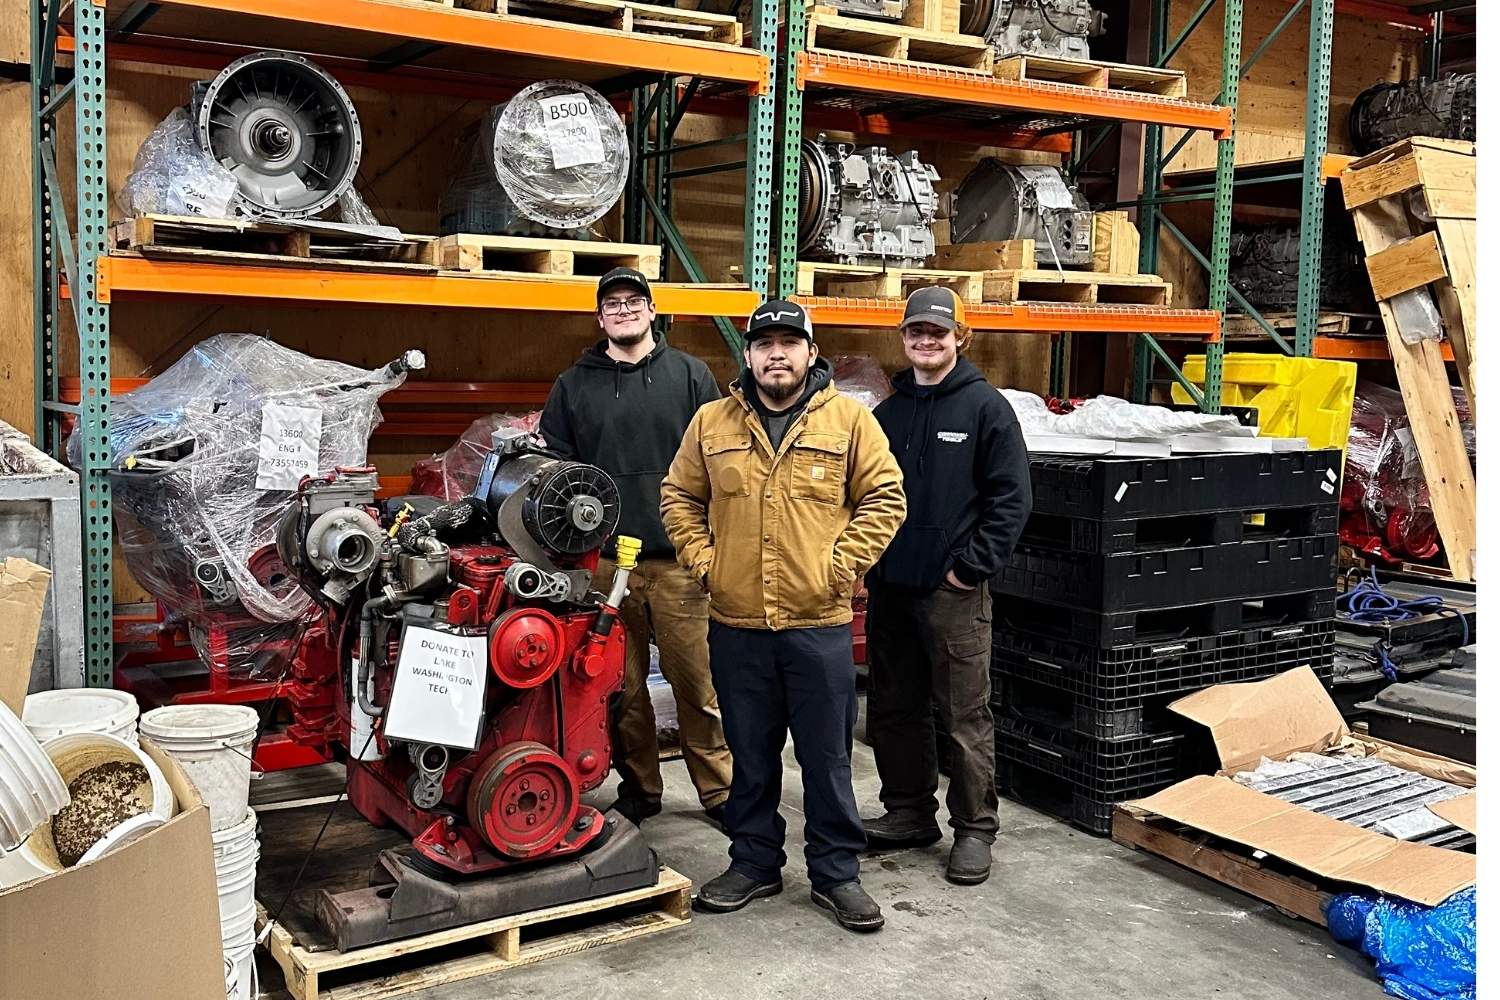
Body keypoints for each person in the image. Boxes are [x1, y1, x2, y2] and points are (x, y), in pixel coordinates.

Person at [660, 299, 906, 932]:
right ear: (747, 355)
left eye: (789, 343)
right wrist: (707, 561)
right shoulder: (712, 423)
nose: (777, 353)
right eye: (764, 343)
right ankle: (754, 863)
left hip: (818, 623)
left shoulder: (849, 422)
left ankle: (837, 874)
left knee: (826, 759)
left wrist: (839, 566)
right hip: (737, 625)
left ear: (809, 352)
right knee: (749, 754)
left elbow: (885, 498)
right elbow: (679, 496)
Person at [540, 267, 733, 828]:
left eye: (634, 301)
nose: (623, 310)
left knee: (698, 686)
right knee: (617, 691)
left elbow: (716, 464)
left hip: (678, 563)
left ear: (652, 312)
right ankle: (641, 789)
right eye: (612, 303)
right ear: (600, 317)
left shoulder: (691, 376)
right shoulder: (573, 385)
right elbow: (555, 471)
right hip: (602, 568)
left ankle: (719, 792)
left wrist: (711, 545)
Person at [861, 286, 1032, 886]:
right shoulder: (887, 414)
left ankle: (975, 830)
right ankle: (909, 811)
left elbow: (1012, 500)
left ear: (961, 335)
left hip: (952, 593)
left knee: (963, 713)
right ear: (903, 338)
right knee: (892, 706)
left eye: (938, 331)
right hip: (890, 590)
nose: (926, 341)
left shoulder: (986, 409)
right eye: (916, 332)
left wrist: (970, 568)